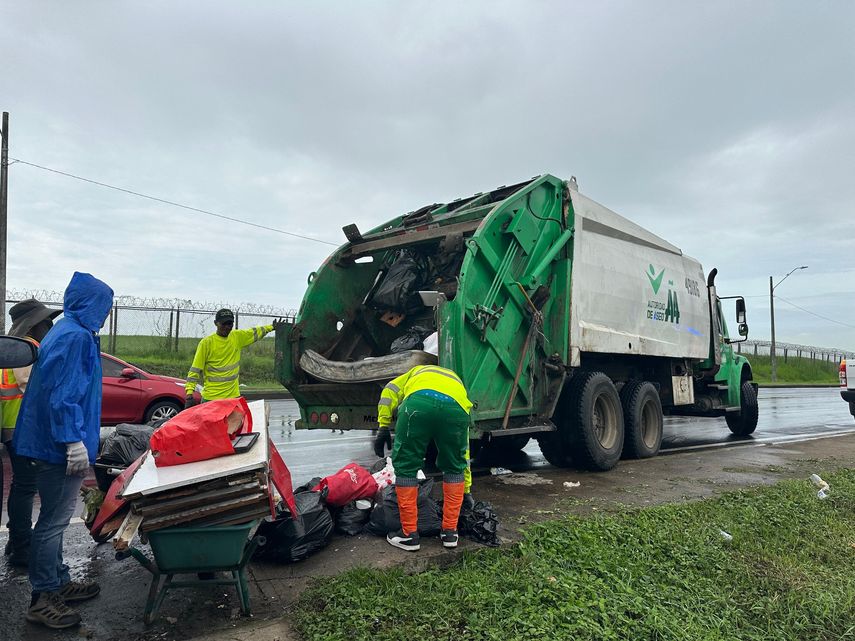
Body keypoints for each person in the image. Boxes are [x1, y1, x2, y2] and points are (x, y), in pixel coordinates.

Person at [13, 272, 113, 629]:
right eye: (104, 305)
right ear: (91, 304)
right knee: (53, 522)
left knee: (53, 519)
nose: (106, 312)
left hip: (46, 440)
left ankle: (58, 580)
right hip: (56, 444)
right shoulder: (76, 338)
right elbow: (64, 395)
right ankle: (42, 599)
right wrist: (72, 440)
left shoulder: (68, 330)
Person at [375, 365, 472, 551]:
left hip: (418, 406)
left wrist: (383, 424)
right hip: (456, 409)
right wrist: (466, 490)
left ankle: (409, 535)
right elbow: (463, 454)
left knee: (406, 466)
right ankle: (450, 532)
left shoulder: (415, 371)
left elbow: (389, 391)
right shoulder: (456, 382)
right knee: (454, 467)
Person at [1, 299, 62, 567]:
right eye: (46, 322)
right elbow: (30, 386)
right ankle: (23, 548)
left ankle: (16, 541)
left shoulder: (12, 346)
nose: (49, 326)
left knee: (21, 486)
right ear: (34, 325)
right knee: (26, 487)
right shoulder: (28, 348)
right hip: (23, 428)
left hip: (11, 425)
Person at [184, 309, 280, 406]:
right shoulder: (206, 343)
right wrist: (189, 394)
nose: (227, 327)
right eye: (223, 324)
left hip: (233, 398)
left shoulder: (236, 337)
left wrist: (272, 327)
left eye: (230, 324)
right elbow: (195, 369)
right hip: (211, 399)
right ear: (215, 323)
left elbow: (254, 332)